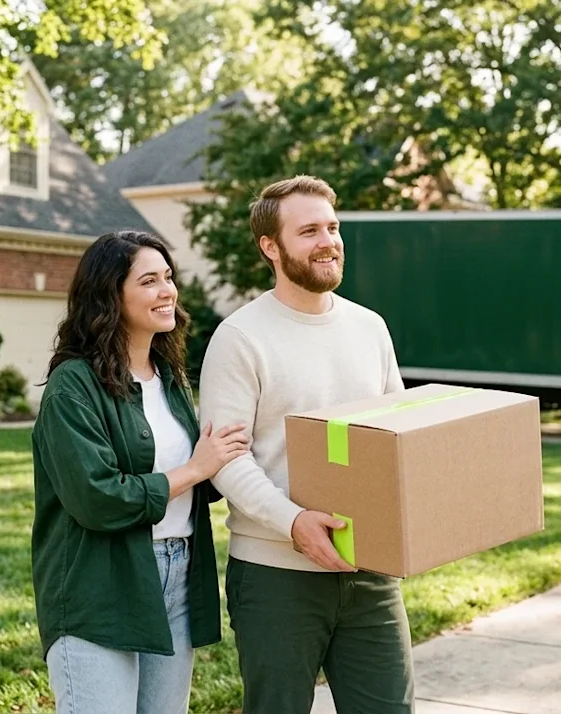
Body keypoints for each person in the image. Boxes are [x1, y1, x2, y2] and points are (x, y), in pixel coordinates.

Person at [197, 176, 415, 713]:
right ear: (270, 247)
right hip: (277, 576)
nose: (329, 240)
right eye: (310, 230)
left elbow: (397, 441)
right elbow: (226, 459)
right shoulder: (240, 337)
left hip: (369, 573)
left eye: (334, 227)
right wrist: (293, 521)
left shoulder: (370, 329)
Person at [30, 229, 250, 714]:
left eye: (168, 277)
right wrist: (196, 468)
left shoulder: (169, 378)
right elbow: (97, 497)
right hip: (100, 584)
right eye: (149, 281)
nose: (167, 291)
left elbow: (202, 472)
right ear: (110, 296)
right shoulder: (73, 386)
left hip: (178, 571)